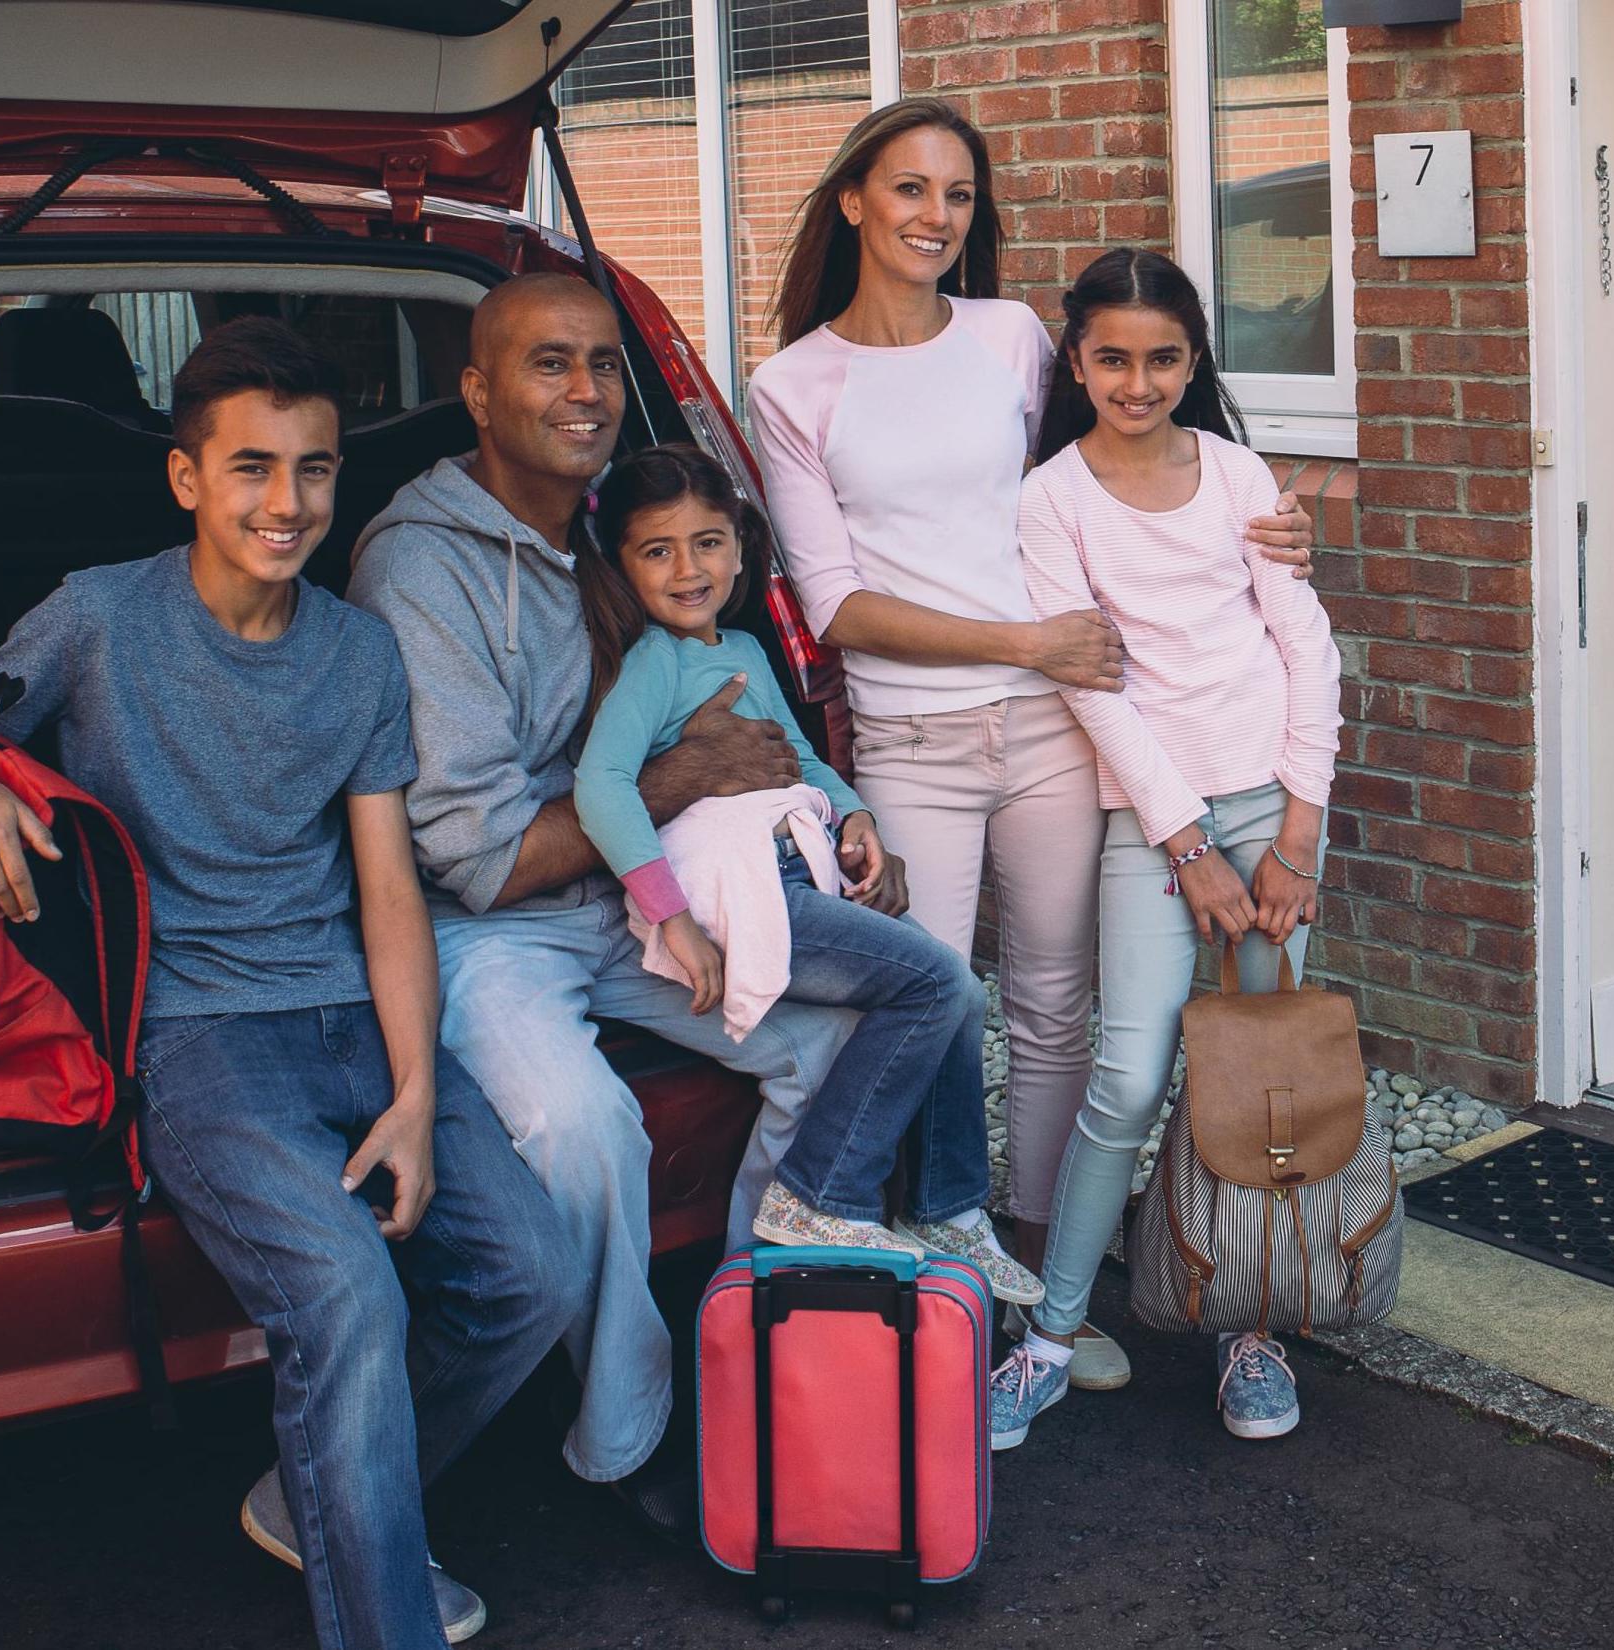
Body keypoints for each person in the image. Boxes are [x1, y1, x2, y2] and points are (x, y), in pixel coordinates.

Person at [0, 319, 580, 1649]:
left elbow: (385, 888)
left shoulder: (359, 652)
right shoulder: (98, 617)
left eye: (314, 469)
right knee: (348, 1296)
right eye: (251, 466)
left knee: (532, 1274)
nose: (287, 502)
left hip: (346, 1019)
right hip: (200, 1034)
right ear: (186, 478)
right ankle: (380, 1608)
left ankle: (314, 1497)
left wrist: (420, 1093)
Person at [747, 97, 1317, 1388]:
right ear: (853, 201)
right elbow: (835, 604)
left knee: (1056, 1008)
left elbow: (1139, 463)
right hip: (916, 736)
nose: (933, 217)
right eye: (907, 189)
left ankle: (1033, 1272)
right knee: (933, 997)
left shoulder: (1010, 340)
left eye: (956, 194)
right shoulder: (791, 384)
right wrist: (1023, 645)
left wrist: (1274, 536)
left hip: (1062, 734)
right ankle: (943, 1272)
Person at [348, 274, 848, 1523]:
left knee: (827, 1045)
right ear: (476, 393)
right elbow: (477, 860)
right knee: (585, 1129)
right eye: (548, 366)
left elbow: (739, 713)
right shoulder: (419, 569)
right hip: (488, 932)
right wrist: (677, 780)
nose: (586, 393)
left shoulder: (624, 529)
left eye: (604, 367)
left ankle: (745, 1340)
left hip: (635, 895)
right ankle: (626, 1420)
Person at [986, 249, 1343, 1449]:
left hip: (1273, 812)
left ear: (1194, 360)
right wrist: (1185, 841)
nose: (1138, 383)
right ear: (1076, 362)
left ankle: (1255, 1331)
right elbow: (1095, 688)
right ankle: (1048, 1336)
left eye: (1164, 359)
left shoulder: (1241, 476)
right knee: (1130, 1076)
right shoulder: (1053, 498)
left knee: (1265, 1086)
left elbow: (1308, 652)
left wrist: (1297, 833)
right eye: (1112, 359)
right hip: (1155, 824)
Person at [570, 443, 1039, 1297]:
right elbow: (599, 785)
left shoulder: (743, 645)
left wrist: (855, 812)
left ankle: (945, 1207)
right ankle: (820, 1191)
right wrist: (669, 915)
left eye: (707, 542)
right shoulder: (653, 664)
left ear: (742, 549)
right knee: (932, 980)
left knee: (960, 990)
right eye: (657, 550)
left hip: (791, 875)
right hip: (732, 892)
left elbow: (799, 762)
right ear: (621, 565)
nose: (688, 568)